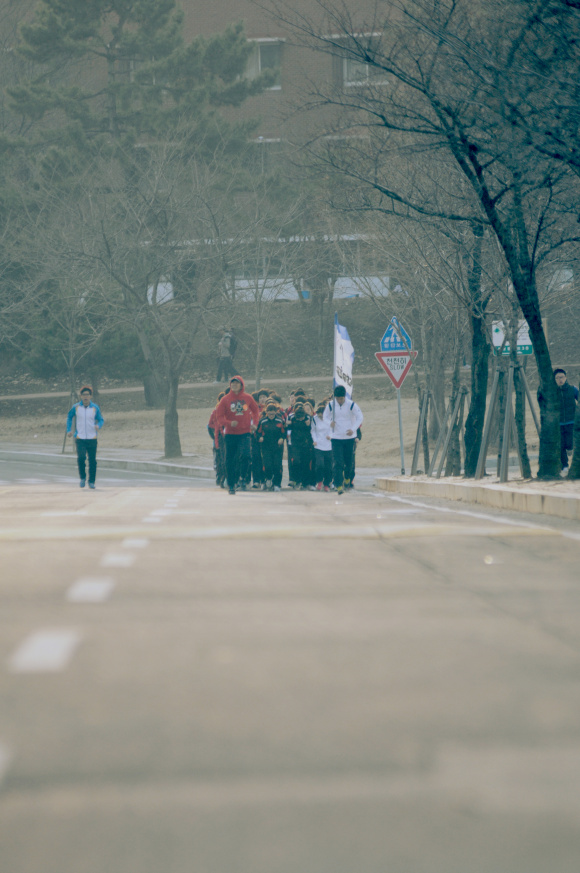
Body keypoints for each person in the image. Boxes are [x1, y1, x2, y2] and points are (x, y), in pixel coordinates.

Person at [215, 376, 261, 494]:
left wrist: (255, 424)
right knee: (230, 459)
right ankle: (231, 484)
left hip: (245, 433)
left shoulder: (247, 398)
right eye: (232, 383)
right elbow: (219, 416)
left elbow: (256, 411)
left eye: (237, 383)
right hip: (230, 434)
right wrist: (228, 423)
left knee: (246, 456)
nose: (234, 385)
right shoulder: (225, 399)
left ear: (241, 385)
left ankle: (242, 477)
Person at [323, 385, 363, 494]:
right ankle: (338, 485)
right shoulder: (331, 405)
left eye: (341, 398)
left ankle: (347, 478)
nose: (339, 401)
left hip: (349, 438)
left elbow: (360, 417)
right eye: (337, 398)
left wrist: (353, 429)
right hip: (336, 437)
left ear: (344, 397)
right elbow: (325, 417)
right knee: (337, 462)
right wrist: (329, 423)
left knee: (348, 462)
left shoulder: (351, 405)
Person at [66, 386, 104, 489]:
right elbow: (69, 417)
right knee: (81, 458)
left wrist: (98, 426)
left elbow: (101, 419)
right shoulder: (76, 407)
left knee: (92, 460)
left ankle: (91, 481)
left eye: (87, 395)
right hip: (80, 437)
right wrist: (69, 430)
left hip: (92, 438)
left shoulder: (95, 408)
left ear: (90, 396)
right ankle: (82, 478)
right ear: (81, 396)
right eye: (83, 395)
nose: (85, 397)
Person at [554, 368, 578, 473]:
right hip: (558, 424)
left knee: (571, 443)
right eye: (557, 378)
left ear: (566, 377)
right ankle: (564, 466)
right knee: (561, 445)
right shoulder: (552, 392)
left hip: (572, 422)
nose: (560, 380)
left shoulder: (573, 389)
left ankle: (571, 451)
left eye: (562, 377)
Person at [257, 403, 286, 490]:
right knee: (267, 465)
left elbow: (284, 433)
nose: (271, 414)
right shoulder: (262, 421)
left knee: (277, 465)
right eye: (269, 413)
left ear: (276, 412)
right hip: (266, 447)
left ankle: (277, 484)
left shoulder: (280, 421)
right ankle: (268, 479)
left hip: (277, 447)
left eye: (273, 413)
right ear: (266, 412)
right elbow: (257, 433)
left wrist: (282, 438)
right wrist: (259, 438)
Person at [286, 400, 314, 489]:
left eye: (302, 418)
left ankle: (305, 482)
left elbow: (312, 430)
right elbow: (288, 430)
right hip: (295, 443)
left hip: (306, 443)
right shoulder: (291, 417)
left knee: (306, 462)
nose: (300, 420)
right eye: (299, 419)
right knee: (296, 461)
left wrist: (309, 425)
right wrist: (287, 425)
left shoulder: (308, 418)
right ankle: (296, 480)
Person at [311, 402, 333, 491]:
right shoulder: (314, 419)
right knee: (320, 465)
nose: (320, 417)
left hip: (329, 445)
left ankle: (327, 484)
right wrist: (315, 440)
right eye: (319, 415)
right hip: (318, 445)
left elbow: (333, 429)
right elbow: (313, 430)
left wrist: (330, 436)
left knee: (328, 467)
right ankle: (319, 481)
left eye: (322, 415)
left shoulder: (330, 418)